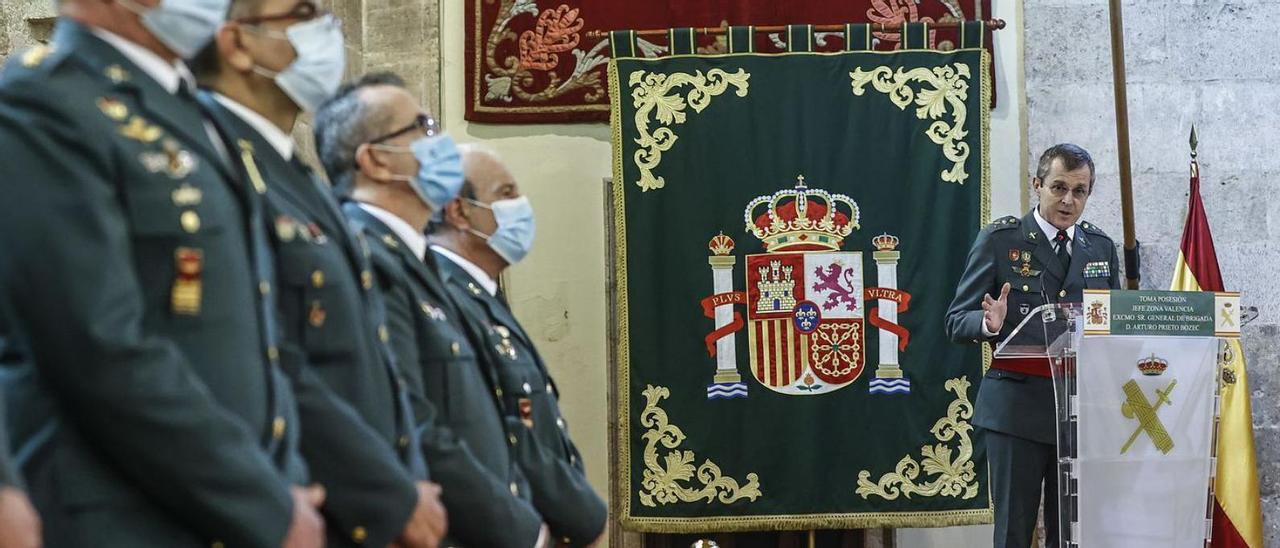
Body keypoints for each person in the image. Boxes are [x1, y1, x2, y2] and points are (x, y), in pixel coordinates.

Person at [0, 0, 327, 545]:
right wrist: (264, 503)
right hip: (127, 515)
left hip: (232, 504)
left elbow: (256, 334)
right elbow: (97, 346)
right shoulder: (47, 102)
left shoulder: (195, 111)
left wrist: (279, 480)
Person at [190, 1, 446, 546]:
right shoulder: (217, 163)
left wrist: (405, 483)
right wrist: (387, 495)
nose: (327, 29)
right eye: (303, 13)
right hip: (310, 504)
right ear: (238, 44)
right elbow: (275, 355)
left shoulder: (290, 173)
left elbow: (367, 367)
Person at [315, 72, 549, 547]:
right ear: (377, 159)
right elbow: (413, 421)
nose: (439, 141)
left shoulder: (416, 262)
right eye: (422, 128)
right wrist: (520, 529)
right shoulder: (362, 255)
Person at [428, 145, 607, 547]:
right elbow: (485, 430)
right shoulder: (444, 295)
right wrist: (579, 514)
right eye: (506, 194)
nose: (521, 207)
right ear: (459, 211)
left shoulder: (481, 294)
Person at [945, 143, 1122, 548]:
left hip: (1077, 413)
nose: (1068, 200)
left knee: (1072, 533)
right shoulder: (1000, 240)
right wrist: (988, 324)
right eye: (1058, 187)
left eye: (1079, 191)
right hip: (1016, 412)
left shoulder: (1100, 247)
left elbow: (1112, 325)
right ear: (1037, 184)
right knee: (1013, 531)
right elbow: (956, 321)